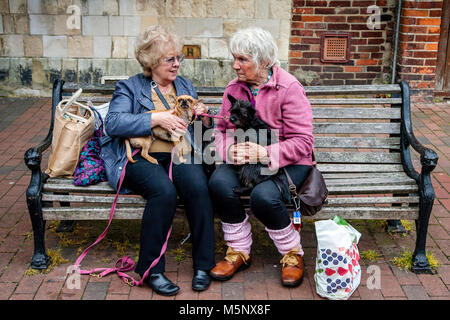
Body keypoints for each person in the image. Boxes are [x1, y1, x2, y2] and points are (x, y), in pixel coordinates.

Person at [102, 25, 215, 296]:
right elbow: (113, 123)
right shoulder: (129, 87)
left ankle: (203, 265)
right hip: (140, 156)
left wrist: (204, 117)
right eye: (170, 59)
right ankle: (151, 269)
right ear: (152, 62)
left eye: (179, 58)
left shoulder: (184, 85)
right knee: (163, 192)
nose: (177, 64)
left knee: (198, 187)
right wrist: (155, 117)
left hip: (179, 152)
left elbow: (201, 133)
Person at [208, 27, 314, 287]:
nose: (235, 66)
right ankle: (239, 251)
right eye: (235, 58)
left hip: (287, 162)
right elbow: (220, 130)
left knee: (263, 196)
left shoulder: (288, 87)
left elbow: (303, 142)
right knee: (219, 185)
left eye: (242, 60)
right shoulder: (234, 88)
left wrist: (266, 152)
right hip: (244, 159)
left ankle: (292, 254)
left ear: (264, 61)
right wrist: (228, 150)